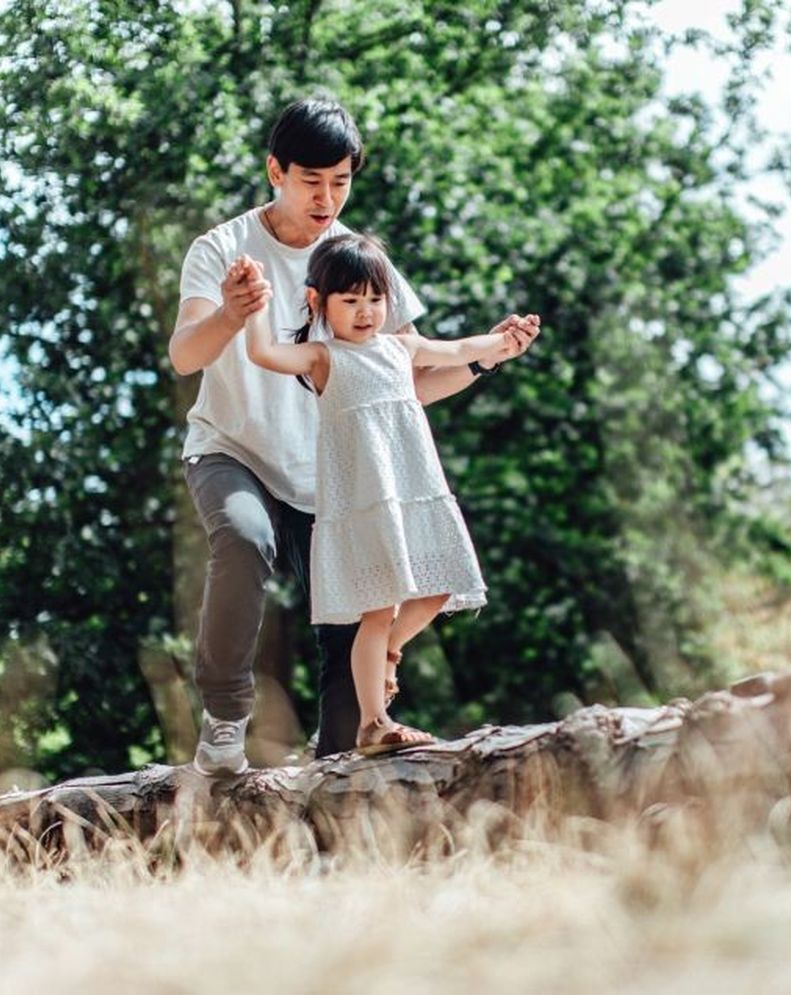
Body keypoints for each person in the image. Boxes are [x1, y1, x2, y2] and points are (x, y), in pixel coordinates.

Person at [168, 97, 538, 772]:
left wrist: (486, 355)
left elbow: (407, 382)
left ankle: (336, 760)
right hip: (232, 449)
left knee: (351, 646)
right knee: (246, 539)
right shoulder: (222, 248)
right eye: (313, 182)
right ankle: (225, 719)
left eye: (341, 181)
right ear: (275, 170)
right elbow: (186, 355)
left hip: (332, 477)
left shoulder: (360, 261)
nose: (328, 198)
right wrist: (232, 311)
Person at [242, 233, 531, 753]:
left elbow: (464, 349)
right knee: (377, 610)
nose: (365, 312)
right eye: (350, 301)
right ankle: (373, 721)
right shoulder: (322, 357)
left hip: (415, 489)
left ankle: (390, 654)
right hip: (364, 499)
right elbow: (262, 352)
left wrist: (504, 342)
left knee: (439, 586)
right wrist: (255, 301)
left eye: (375, 300)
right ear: (318, 302)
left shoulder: (403, 347)